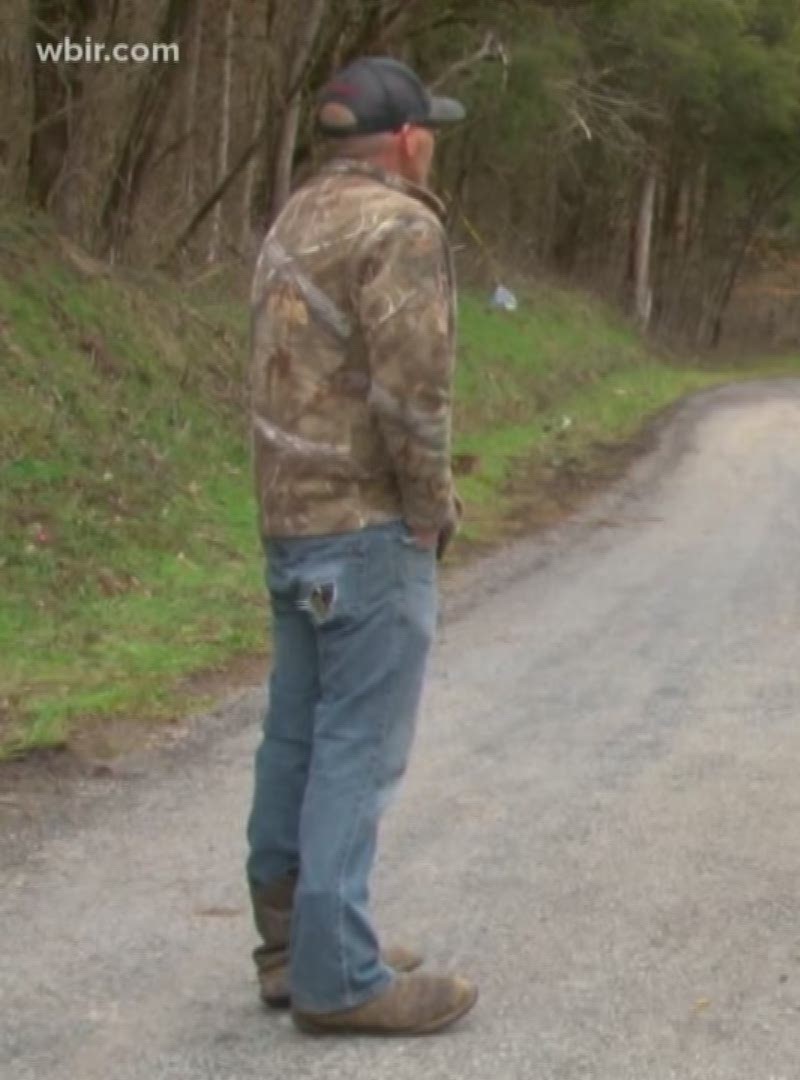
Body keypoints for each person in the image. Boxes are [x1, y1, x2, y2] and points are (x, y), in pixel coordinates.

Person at [243, 56, 477, 1037]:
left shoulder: (294, 217)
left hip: (290, 518)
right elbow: (410, 392)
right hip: (367, 526)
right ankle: (339, 976)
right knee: (358, 743)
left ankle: (291, 944)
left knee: (296, 731)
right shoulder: (402, 226)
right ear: (410, 141)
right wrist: (430, 511)